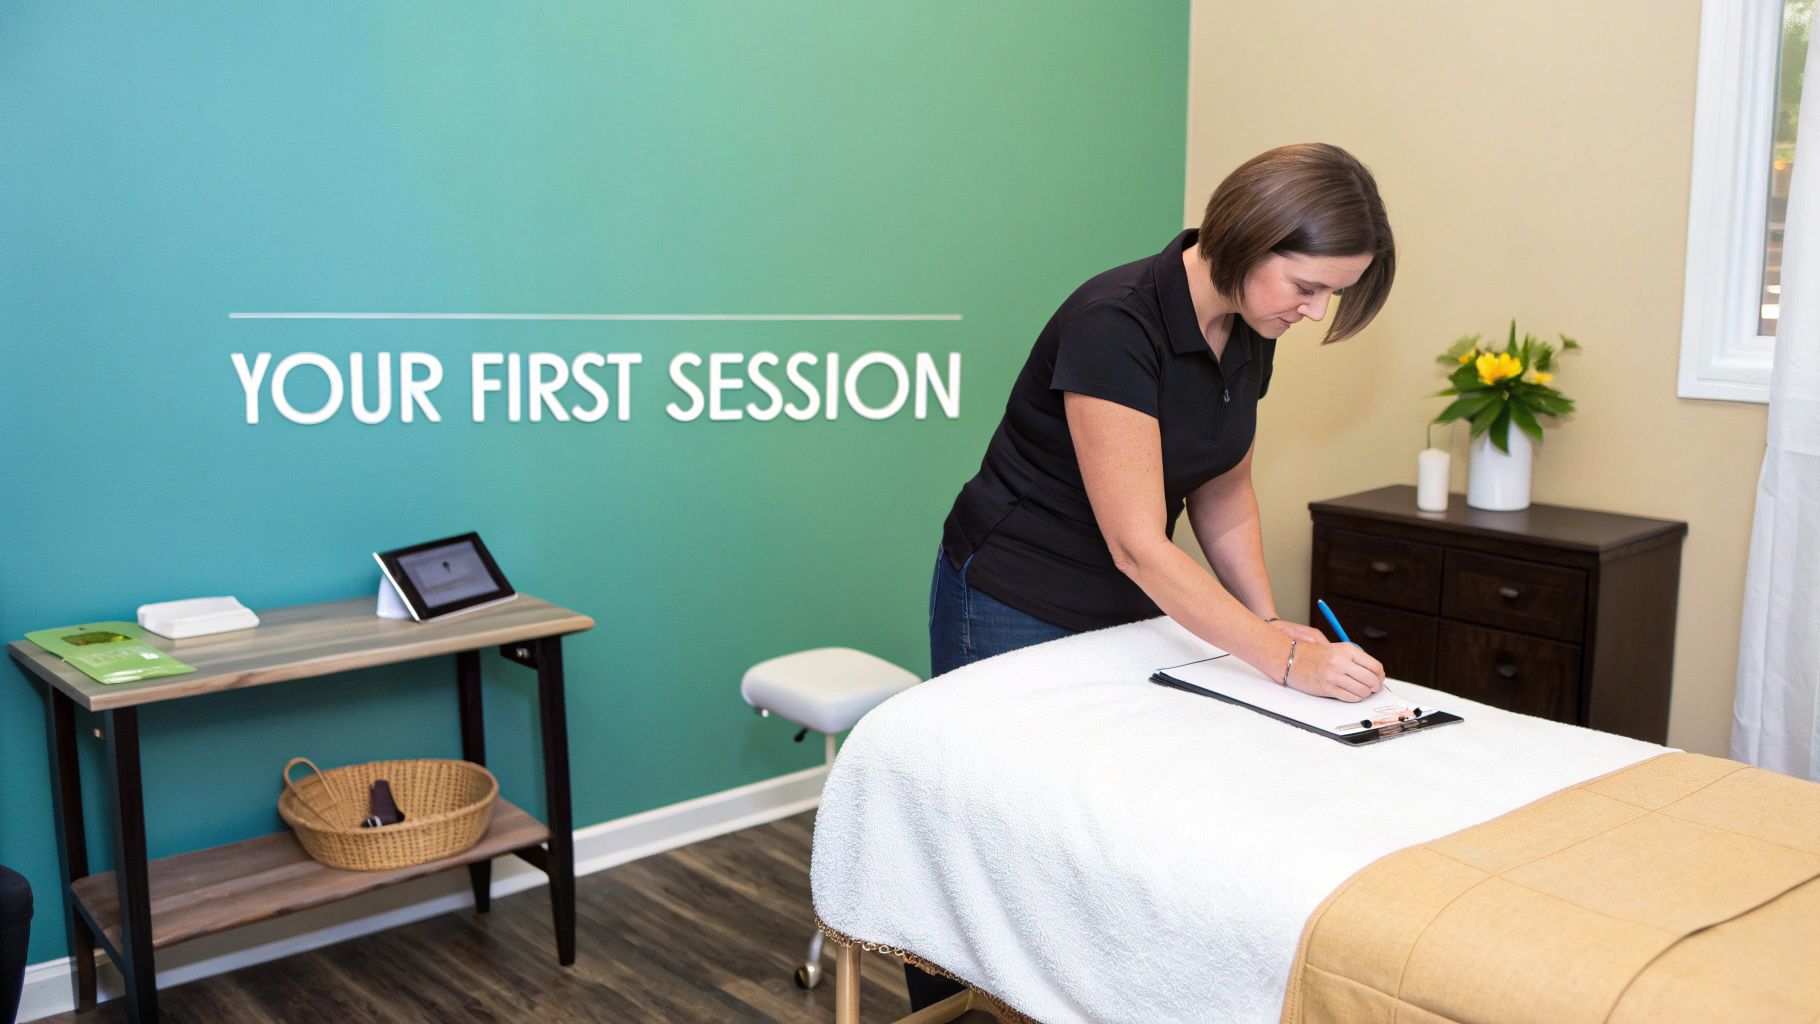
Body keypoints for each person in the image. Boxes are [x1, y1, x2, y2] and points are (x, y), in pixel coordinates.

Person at [912, 143, 1395, 1010]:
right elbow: (1140, 541)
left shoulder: (1250, 329)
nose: (1316, 313)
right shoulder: (1116, 321)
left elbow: (1223, 486)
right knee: (997, 829)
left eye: (1334, 293)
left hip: (1123, 601)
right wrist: (1283, 664)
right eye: (1310, 287)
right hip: (1013, 591)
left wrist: (1270, 619)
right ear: (1250, 239)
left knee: (1091, 833)